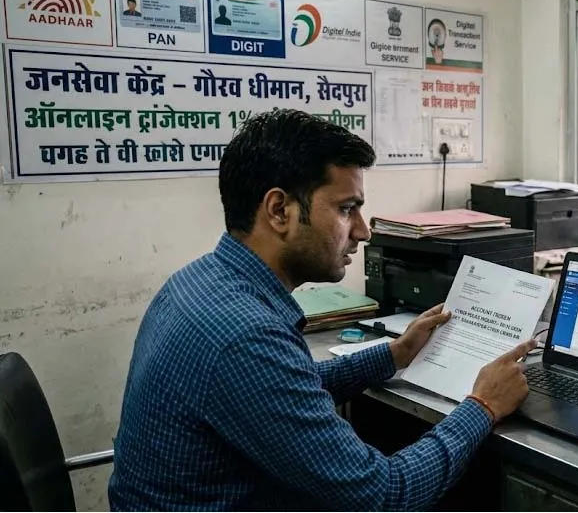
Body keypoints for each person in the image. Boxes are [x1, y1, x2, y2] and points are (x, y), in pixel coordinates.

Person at [107, 109, 535, 510]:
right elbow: (383, 496)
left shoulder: (198, 282)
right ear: (280, 211)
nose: (364, 231)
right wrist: (483, 405)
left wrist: (395, 354)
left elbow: (291, 388)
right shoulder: (245, 335)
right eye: (347, 209)